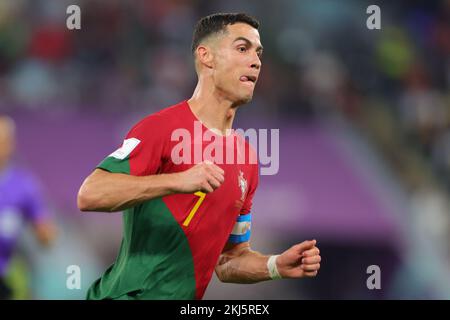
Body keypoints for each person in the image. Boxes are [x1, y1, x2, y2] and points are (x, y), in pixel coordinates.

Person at [78, 13, 321, 300]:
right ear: (206, 57)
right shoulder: (160, 129)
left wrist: (275, 265)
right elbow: (90, 194)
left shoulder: (247, 159)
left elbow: (229, 261)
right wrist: (177, 180)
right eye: (242, 49)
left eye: (258, 52)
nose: (255, 61)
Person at [0, 116, 56, 299]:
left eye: (4, 141)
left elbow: (45, 231)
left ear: (11, 144)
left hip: (5, 276)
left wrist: (46, 233)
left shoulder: (24, 186)